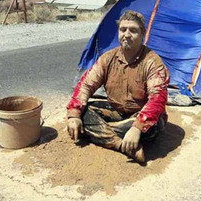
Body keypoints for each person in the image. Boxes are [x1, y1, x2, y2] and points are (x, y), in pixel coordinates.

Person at [66, 10, 169, 163]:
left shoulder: (152, 62)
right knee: (81, 113)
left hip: (141, 114)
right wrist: (74, 115)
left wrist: (137, 127)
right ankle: (121, 145)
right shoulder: (107, 58)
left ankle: (101, 132)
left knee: (152, 127)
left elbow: (157, 99)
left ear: (143, 34)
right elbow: (86, 85)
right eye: (123, 30)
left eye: (133, 30)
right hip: (116, 110)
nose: (127, 34)